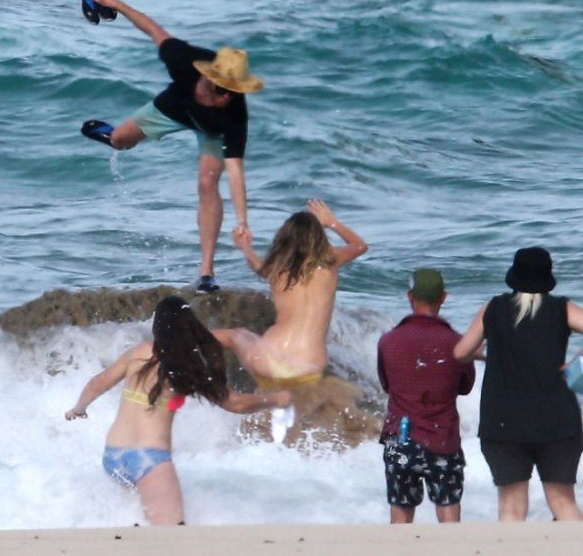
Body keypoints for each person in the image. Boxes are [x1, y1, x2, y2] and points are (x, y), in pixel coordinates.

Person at [82, 0, 264, 294]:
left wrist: (243, 221)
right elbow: (153, 29)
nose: (234, 98)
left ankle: (206, 273)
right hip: (174, 107)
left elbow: (235, 170)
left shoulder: (234, 113)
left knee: (207, 182)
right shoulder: (183, 61)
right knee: (120, 140)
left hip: (211, 131)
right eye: (229, 93)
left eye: (238, 92)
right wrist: (116, 4)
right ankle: (113, 137)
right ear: (212, 84)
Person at [65, 296, 291, 525]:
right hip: (148, 460)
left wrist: (78, 409)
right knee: (171, 530)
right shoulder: (186, 365)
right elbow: (236, 403)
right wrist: (276, 399)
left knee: (140, 520)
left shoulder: (139, 352)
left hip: (113, 455)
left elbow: (98, 383)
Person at [453, 247, 583, 521]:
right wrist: (576, 363)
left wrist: (486, 355)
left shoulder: (494, 308)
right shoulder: (562, 308)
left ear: (514, 275)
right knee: (563, 503)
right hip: (558, 420)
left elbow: (460, 352)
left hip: (503, 421)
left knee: (511, 507)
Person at [214, 199, 367, 390]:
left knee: (235, 336)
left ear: (283, 240)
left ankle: (180, 346)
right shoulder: (329, 263)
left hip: (270, 360)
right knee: (285, 402)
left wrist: (245, 247)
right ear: (319, 239)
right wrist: (331, 222)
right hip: (309, 368)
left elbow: (257, 266)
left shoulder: (277, 270)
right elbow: (359, 246)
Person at [377, 269, 476, 524]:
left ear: (410, 297)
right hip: (442, 436)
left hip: (399, 436)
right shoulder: (455, 341)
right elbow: (466, 387)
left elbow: (387, 385)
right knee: (448, 505)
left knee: (400, 508)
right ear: (443, 297)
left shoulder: (388, 341)